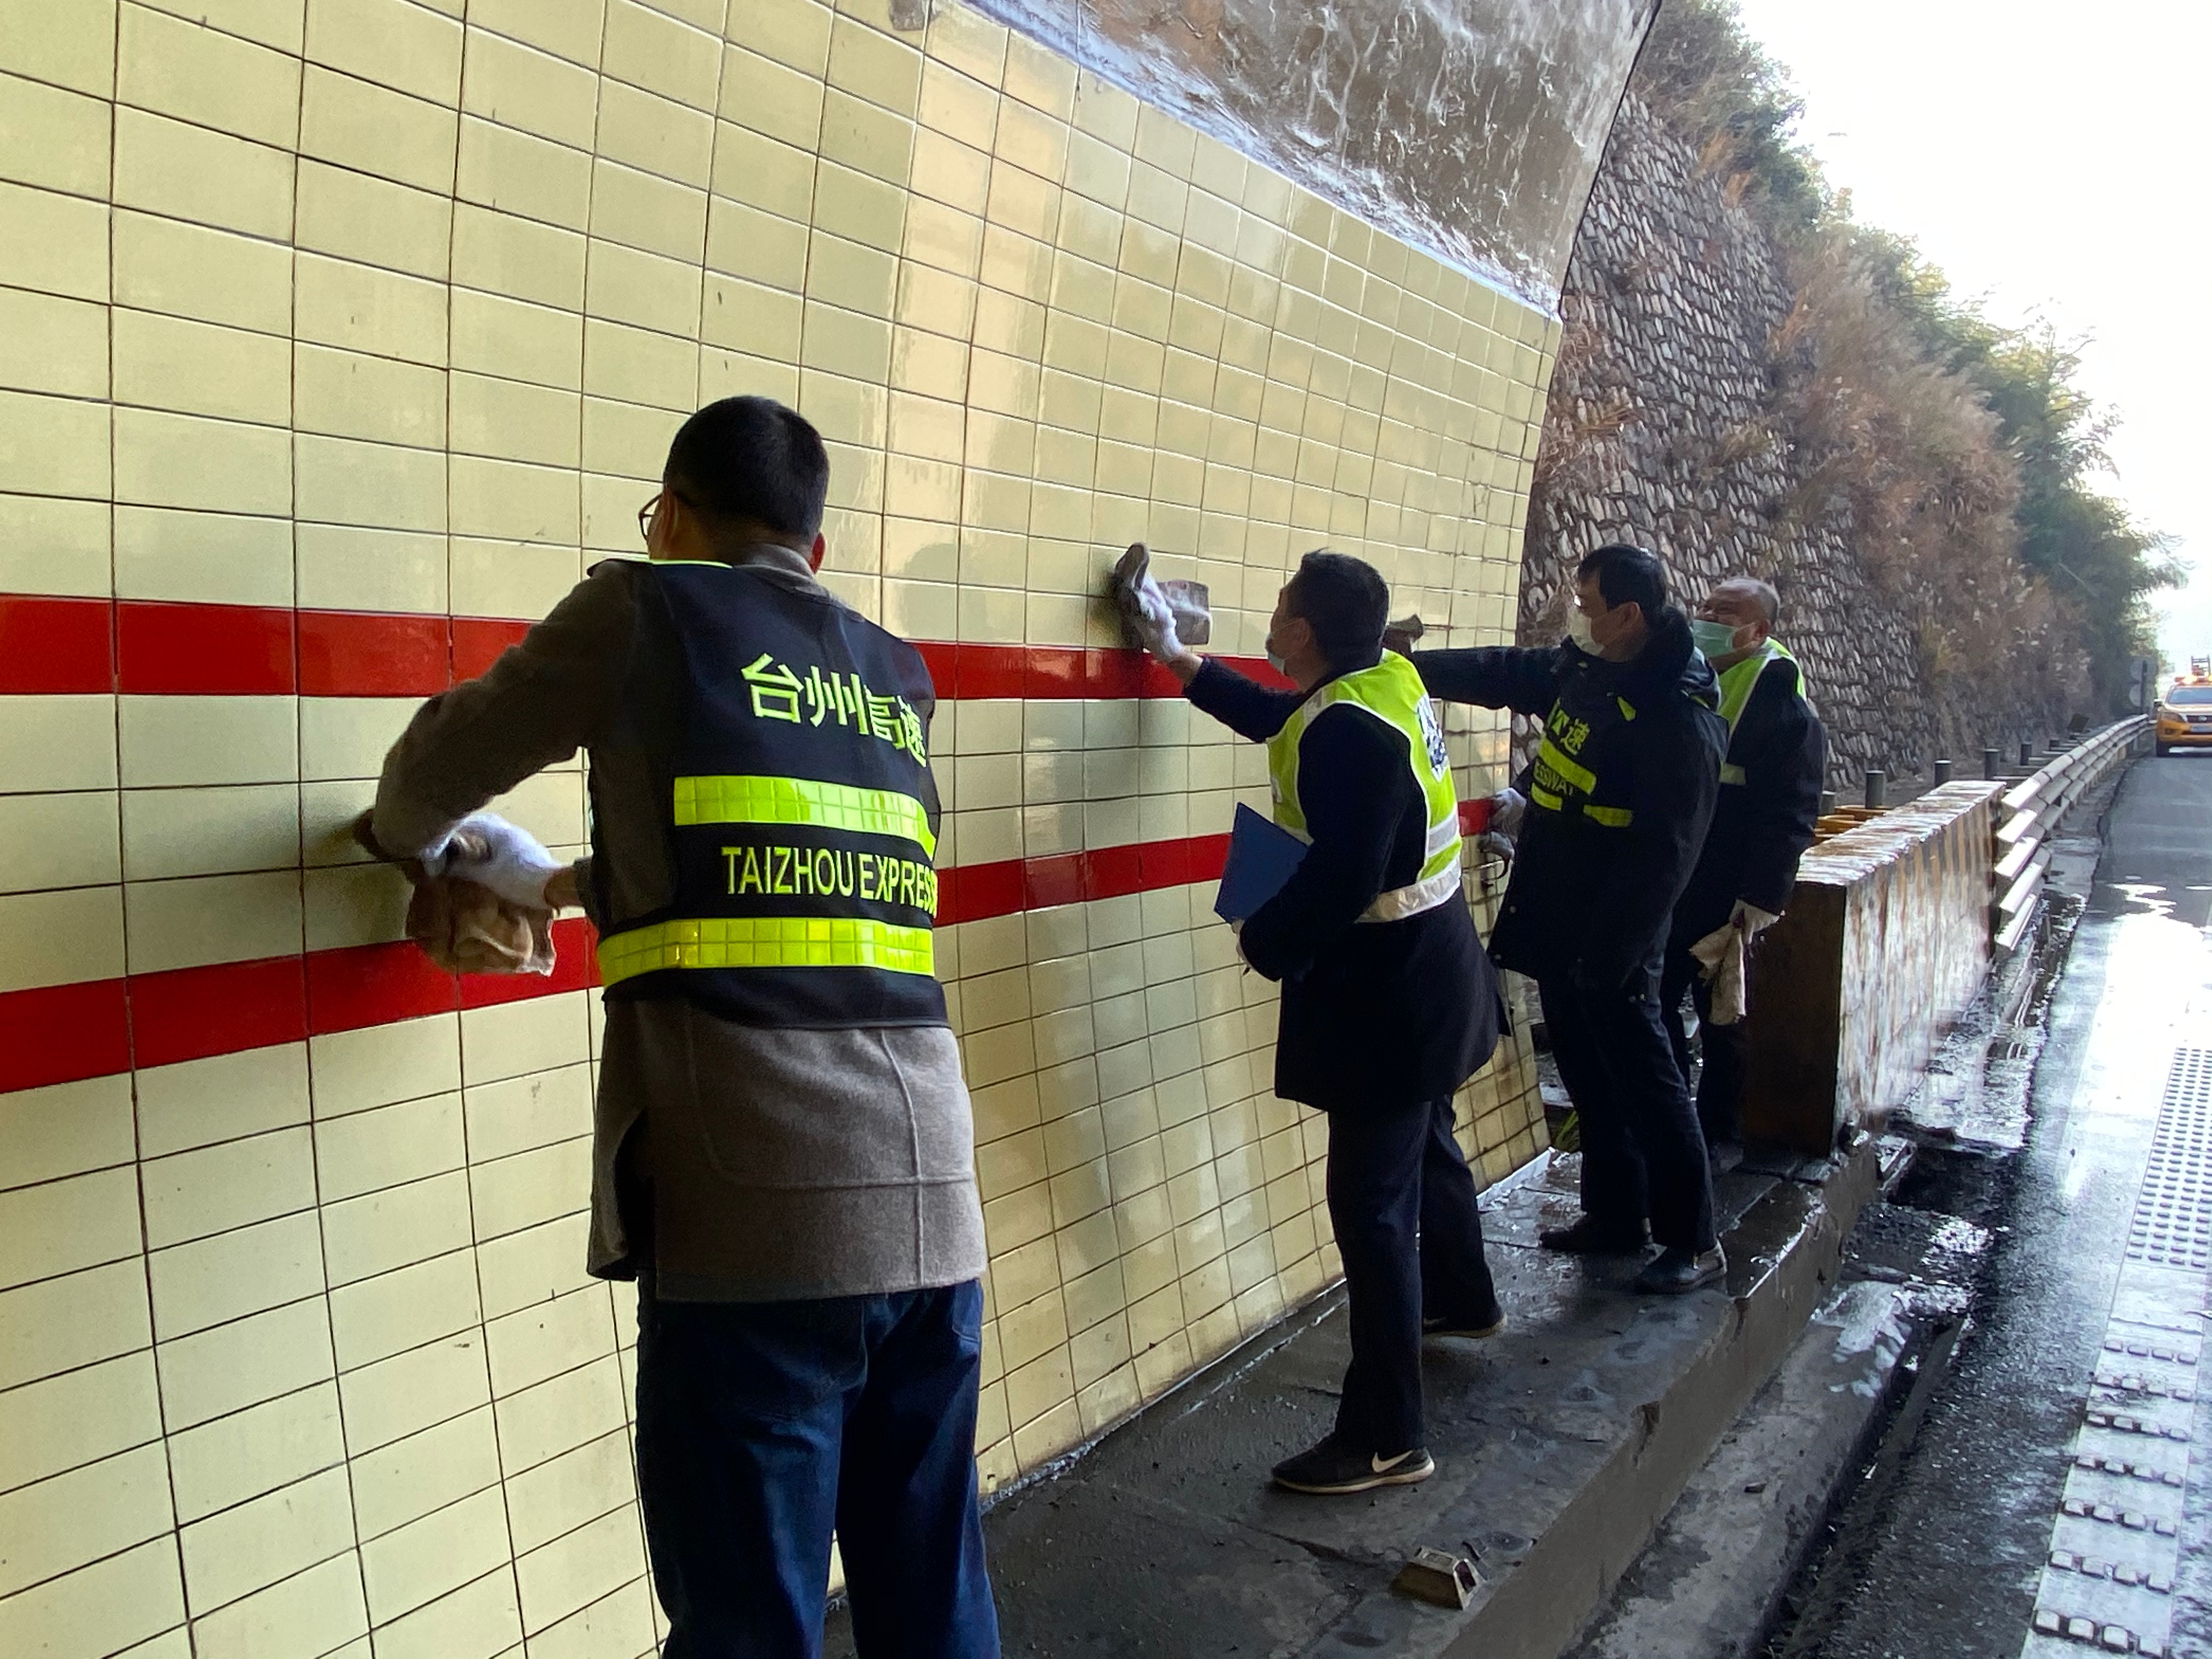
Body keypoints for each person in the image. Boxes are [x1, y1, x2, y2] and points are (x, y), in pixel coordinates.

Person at [358, 397, 998, 1658]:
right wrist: (556, 884)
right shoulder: (891, 673)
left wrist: (418, 847)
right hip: (935, 1205)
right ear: (814, 549)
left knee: (747, 1624)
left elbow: (423, 783)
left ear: (673, 517)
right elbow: (777, 877)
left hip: (761, 1213)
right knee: (933, 1605)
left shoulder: (645, 609)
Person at [1128, 549, 1508, 1496]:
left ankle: (1386, 1436)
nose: (1270, 617)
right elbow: (1283, 719)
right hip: (1437, 970)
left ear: (1300, 631)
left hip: (1393, 995)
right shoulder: (1379, 682)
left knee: (1370, 1210)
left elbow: (1344, 878)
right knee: (1427, 1143)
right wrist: (1175, 656)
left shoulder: (1349, 732)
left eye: (1279, 607)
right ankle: (1463, 1296)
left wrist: (1263, 939)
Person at [1410, 545, 1730, 1295]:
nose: (1575, 617)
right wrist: (1409, 665)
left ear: (1629, 616)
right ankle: (1616, 1214)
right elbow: (1506, 673)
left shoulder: (1677, 715)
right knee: (1590, 1073)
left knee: (1649, 1081)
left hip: (1616, 935)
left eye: (1587, 606)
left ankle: (1693, 1241)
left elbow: (1668, 857)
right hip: (1562, 913)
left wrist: (1610, 959)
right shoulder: (1590, 669)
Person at [1667, 578, 1826, 1165]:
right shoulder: (1680, 672)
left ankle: (1720, 1136)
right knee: (1654, 999)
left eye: (1726, 612)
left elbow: (1792, 812)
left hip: (1727, 885)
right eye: (1706, 606)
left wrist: (1760, 898)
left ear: (1758, 631)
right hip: (1671, 873)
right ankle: (1669, 1123)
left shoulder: (1783, 707)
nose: (1707, 617)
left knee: (1722, 1014)